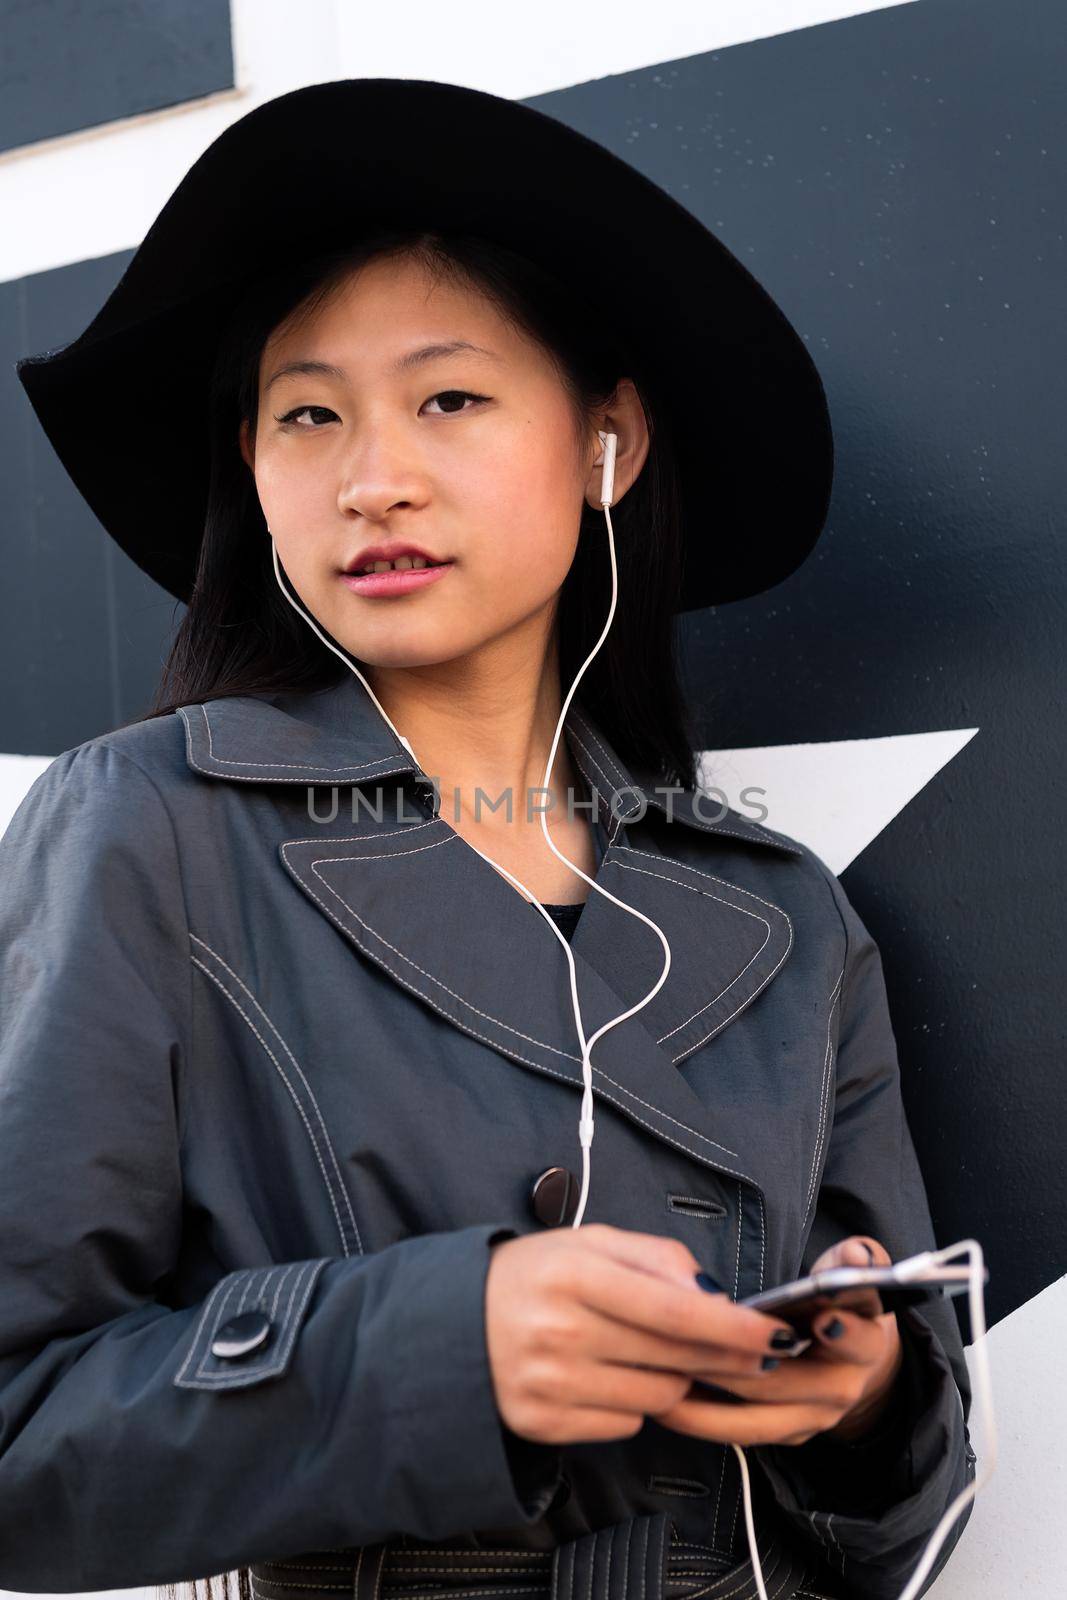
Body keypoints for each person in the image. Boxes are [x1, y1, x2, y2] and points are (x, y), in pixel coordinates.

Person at [0, 80, 975, 1600]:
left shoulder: (782, 920)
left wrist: (865, 1396)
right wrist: (438, 1350)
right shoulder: (149, 830)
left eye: (448, 398)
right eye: (308, 413)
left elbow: (911, 1487)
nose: (372, 474)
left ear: (609, 443)